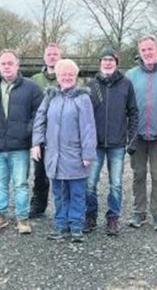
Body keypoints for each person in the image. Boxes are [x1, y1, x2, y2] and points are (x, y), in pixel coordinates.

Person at [0, 49, 43, 234]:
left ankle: (22, 218)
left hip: (19, 146)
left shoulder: (31, 87)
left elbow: (39, 113)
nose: (7, 67)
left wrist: (28, 132)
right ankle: (1, 216)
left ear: (17, 65)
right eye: (3, 64)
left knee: (20, 184)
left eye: (10, 63)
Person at [32, 59, 97, 243]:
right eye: (63, 74)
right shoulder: (50, 97)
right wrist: (36, 143)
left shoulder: (82, 99)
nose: (66, 77)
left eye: (70, 74)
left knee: (77, 194)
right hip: (54, 156)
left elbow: (88, 128)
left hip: (75, 156)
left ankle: (76, 226)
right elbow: (40, 120)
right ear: (57, 76)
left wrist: (88, 154)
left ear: (75, 76)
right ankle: (61, 225)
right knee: (59, 194)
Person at [124, 35, 157, 231]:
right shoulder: (130, 75)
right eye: (143, 50)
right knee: (138, 174)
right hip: (137, 135)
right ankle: (139, 212)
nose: (147, 53)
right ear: (139, 52)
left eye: (150, 49)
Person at [84, 47, 138, 236]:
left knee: (116, 183)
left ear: (116, 63)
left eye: (111, 60)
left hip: (117, 142)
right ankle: (90, 216)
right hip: (95, 144)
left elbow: (133, 112)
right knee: (90, 183)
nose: (107, 63)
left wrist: (132, 138)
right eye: (104, 59)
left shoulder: (126, 84)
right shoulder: (91, 85)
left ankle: (113, 217)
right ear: (100, 63)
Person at [28, 43, 62, 219]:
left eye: (55, 54)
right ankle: (38, 204)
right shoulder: (35, 80)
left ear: (60, 57)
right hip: (41, 132)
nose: (52, 57)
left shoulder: (66, 76)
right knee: (40, 172)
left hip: (62, 133)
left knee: (62, 171)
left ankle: (62, 206)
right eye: (49, 54)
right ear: (44, 57)